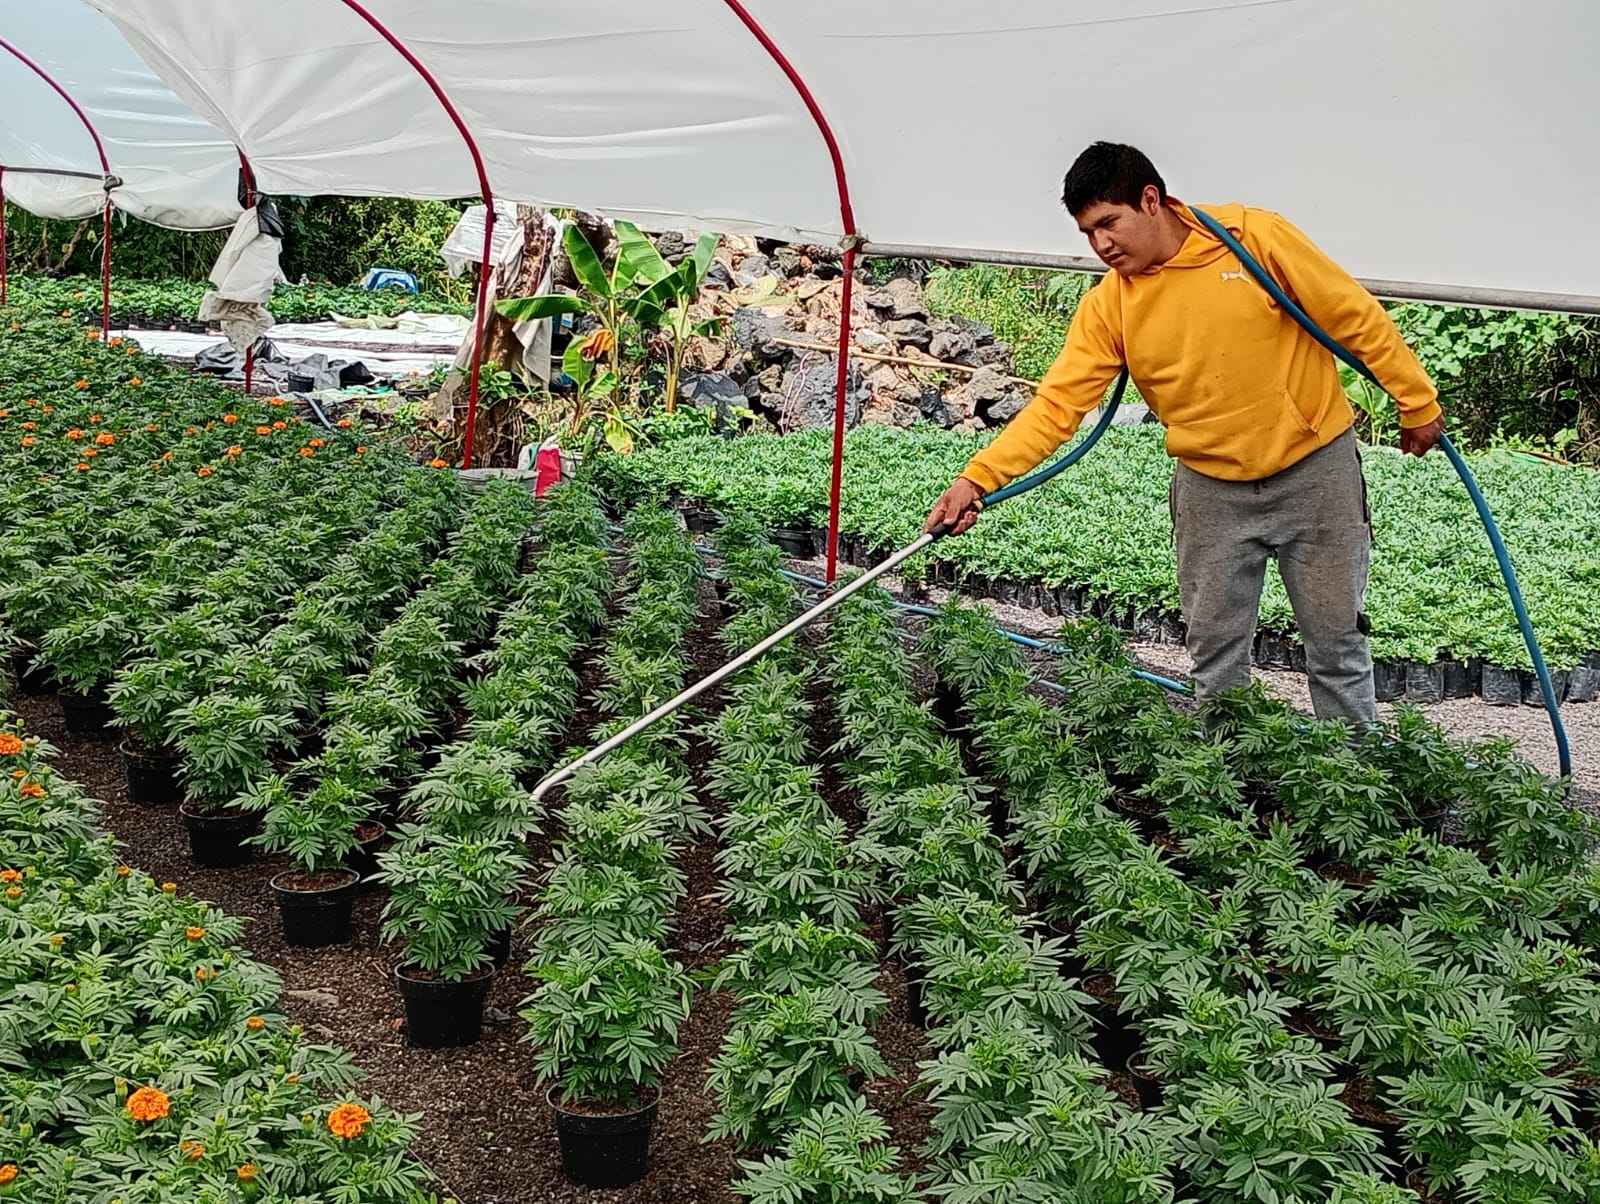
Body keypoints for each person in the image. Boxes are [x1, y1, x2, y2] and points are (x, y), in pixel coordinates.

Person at [923, 142, 1446, 726]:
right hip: (1210, 491)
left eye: (1108, 223)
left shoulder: (1254, 241)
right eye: (1087, 233)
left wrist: (1415, 399)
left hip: (1314, 471)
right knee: (1215, 655)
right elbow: (1058, 406)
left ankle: (1351, 777)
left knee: (1337, 644)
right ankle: (1228, 787)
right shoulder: (1109, 307)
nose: (1101, 245)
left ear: (1151, 200)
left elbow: (1351, 313)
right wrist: (978, 477)